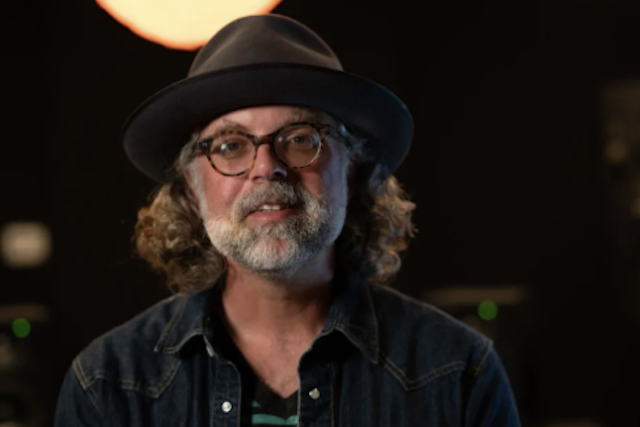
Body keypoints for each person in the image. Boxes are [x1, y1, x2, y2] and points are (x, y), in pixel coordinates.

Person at [54, 13, 520, 426]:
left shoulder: (457, 372)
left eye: (300, 138)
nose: (266, 167)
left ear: (351, 171)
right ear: (192, 189)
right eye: (230, 146)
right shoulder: (107, 385)